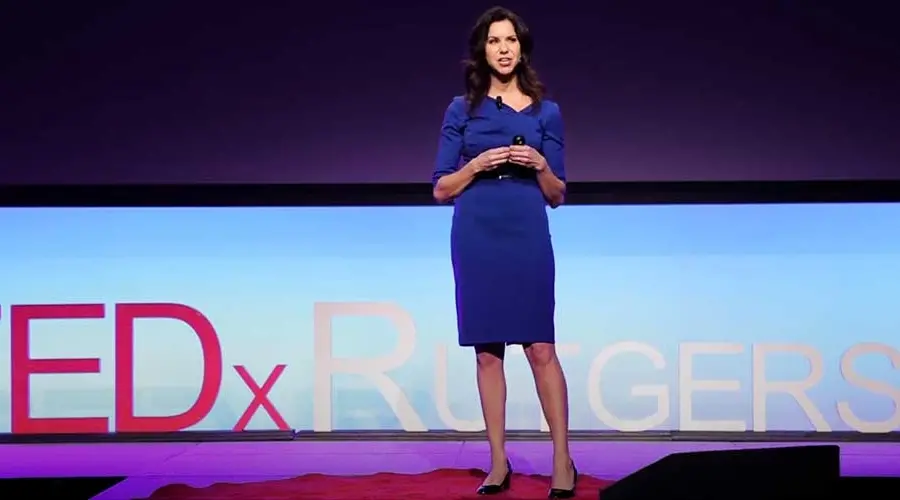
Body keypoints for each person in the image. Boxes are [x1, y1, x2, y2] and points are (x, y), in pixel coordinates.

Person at [431, 6, 577, 499]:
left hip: (526, 226)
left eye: (510, 39)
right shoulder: (461, 109)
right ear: (483, 50)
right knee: (488, 353)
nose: (504, 48)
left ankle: (562, 460)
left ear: (522, 47)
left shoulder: (545, 110)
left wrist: (538, 163)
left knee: (540, 347)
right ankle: (498, 462)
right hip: (477, 228)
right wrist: (475, 165)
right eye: (494, 41)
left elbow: (557, 194)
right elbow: (440, 188)